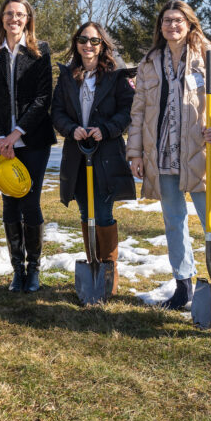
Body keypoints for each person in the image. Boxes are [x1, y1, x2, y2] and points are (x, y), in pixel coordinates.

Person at [127, 0, 211, 320]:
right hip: (162, 154)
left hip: (200, 152)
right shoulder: (150, 62)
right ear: (160, 27)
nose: (172, 26)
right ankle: (183, 285)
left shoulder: (209, 56)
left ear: (190, 23)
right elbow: (139, 111)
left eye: (178, 20)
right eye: (167, 21)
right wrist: (136, 152)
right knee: (173, 221)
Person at [51, 22, 136, 298]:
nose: (88, 45)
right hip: (78, 154)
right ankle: (92, 266)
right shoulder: (67, 76)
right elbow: (57, 112)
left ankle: (108, 271)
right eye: (83, 39)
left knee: (102, 213)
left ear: (103, 45)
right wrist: (70, 129)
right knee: (85, 212)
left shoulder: (116, 76)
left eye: (94, 41)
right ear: (76, 43)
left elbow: (128, 110)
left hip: (106, 155)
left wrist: (107, 129)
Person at [0, 0, 55, 293]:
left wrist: (17, 133)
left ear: (28, 19)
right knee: (9, 204)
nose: (14, 18)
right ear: (2, 18)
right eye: (9, 13)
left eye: (20, 14)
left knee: (30, 202)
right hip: (0, 143)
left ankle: (34, 269)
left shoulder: (40, 51)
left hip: (32, 141)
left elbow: (43, 98)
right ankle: (17, 270)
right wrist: (0, 137)